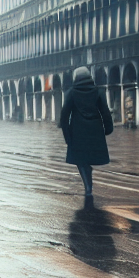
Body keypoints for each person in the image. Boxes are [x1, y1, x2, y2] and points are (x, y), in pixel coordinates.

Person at [59, 66, 113, 200]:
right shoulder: (98, 92)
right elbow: (105, 112)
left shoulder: (71, 93)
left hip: (77, 130)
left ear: (76, 78)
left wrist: (67, 136)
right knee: (87, 156)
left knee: (79, 159)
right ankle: (88, 181)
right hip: (95, 129)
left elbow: (64, 116)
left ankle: (88, 185)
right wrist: (108, 128)